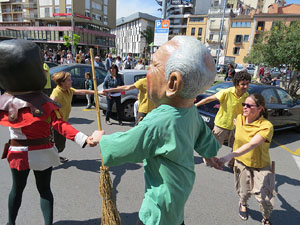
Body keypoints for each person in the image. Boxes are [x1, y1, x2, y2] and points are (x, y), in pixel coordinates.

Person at [92, 36, 222, 225]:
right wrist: (210, 155)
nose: (147, 72)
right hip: (178, 197)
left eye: (153, 65)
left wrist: (100, 139)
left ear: (173, 83)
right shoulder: (191, 111)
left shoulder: (160, 120)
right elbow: (206, 140)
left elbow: (122, 148)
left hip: (158, 211)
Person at [0, 39, 97, 225]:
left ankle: (10, 223)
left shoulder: (6, 100)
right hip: (42, 153)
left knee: (16, 190)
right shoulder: (44, 102)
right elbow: (60, 125)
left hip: (18, 154)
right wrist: (84, 138)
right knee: (44, 190)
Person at [219, 94, 275, 225]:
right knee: (243, 191)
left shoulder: (266, 126)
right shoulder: (239, 119)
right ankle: (243, 204)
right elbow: (238, 136)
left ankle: (266, 217)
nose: (244, 107)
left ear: (259, 108)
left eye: (248, 105)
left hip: (261, 165)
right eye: (244, 104)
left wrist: (229, 155)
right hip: (242, 163)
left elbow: (252, 144)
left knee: (265, 198)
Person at [195, 70, 251, 167]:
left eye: (247, 84)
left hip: (236, 126)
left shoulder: (246, 96)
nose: (245, 87)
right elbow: (209, 99)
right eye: (243, 84)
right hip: (222, 125)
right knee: (214, 145)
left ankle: (232, 163)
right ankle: (208, 157)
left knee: (237, 146)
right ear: (236, 84)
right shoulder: (227, 92)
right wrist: (196, 105)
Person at [50, 71, 103, 162]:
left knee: (60, 145)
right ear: (62, 83)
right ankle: (50, 159)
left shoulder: (69, 90)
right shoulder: (57, 92)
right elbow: (51, 101)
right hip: (56, 123)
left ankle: (54, 156)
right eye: (69, 80)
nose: (71, 81)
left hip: (64, 121)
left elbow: (82, 91)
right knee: (54, 143)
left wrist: (97, 92)